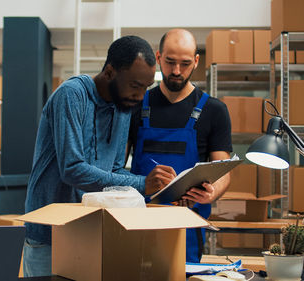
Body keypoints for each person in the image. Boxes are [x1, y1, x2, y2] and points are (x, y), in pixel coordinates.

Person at [23, 35, 158, 277]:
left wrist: (157, 187)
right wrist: (141, 183)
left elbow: (115, 171)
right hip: (50, 233)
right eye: (135, 85)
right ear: (109, 72)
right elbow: (72, 169)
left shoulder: (123, 107)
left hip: (90, 232)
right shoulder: (72, 95)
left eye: (146, 88)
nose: (140, 97)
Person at [128, 29, 232, 263]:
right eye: (170, 62)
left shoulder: (214, 110)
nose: (176, 71)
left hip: (187, 225)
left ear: (196, 61)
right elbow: (114, 167)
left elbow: (222, 168)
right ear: (158, 57)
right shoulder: (135, 105)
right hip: (137, 222)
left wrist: (213, 191)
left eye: (185, 64)